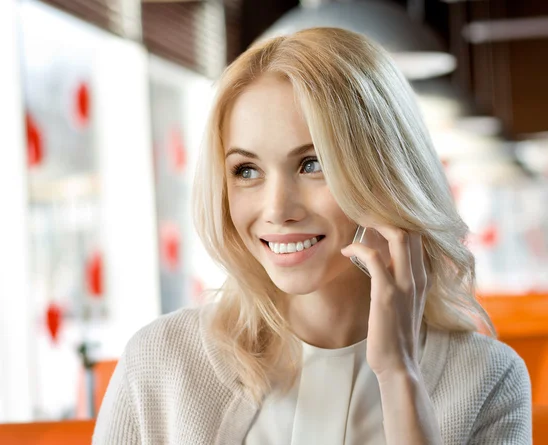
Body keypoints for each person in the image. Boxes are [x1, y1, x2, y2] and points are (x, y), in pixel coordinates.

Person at [92, 27, 531, 444]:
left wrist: (400, 375)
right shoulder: (161, 363)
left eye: (311, 164)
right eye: (247, 171)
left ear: (384, 172)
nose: (278, 210)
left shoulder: (486, 379)